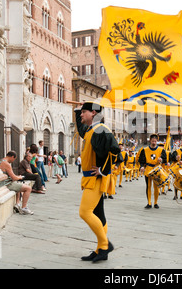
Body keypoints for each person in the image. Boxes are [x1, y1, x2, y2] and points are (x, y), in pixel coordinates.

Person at [75, 101, 120, 263]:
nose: (81, 114)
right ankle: (100, 250)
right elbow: (81, 129)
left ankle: (104, 244)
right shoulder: (91, 130)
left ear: (93, 113)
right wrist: (77, 109)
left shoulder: (101, 129)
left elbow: (116, 152)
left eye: (83, 112)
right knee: (99, 216)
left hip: (97, 178)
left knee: (85, 212)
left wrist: (103, 170)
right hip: (91, 178)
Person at [0, 151, 34, 215]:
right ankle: (24, 208)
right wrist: (20, 177)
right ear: (12, 157)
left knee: (18, 185)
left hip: (2, 183)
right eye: (14, 159)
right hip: (7, 184)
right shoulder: (7, 164)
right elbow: (14, 178)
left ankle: (17, 204)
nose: (13, 161)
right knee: (28, 188)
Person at [139, 134, 167, 209]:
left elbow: (165, 159)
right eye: (152, 141)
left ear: (157, 141)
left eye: (155, 141)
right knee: (148, 186)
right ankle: (149, 202)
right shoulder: (145, 150)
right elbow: (141, 160)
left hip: (157, 170)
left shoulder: (161, 150)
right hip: (148, 169)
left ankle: (155, 202)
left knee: (156, 187)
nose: (154, 142)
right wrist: (141, 166)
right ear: (150, 141)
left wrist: (162, 160)